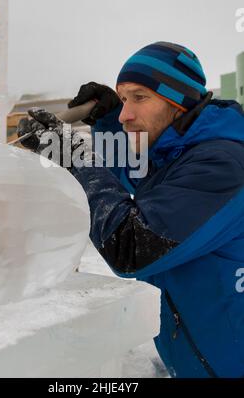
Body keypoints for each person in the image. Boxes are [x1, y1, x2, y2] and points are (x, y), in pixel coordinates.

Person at [17, 41, 244, 378]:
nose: (126, 113)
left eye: (139, 97)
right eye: (123, 99)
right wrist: (107, 120)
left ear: (178, 101)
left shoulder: (221, 165)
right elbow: (129, 169)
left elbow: (133, 246)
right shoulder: (173, 152)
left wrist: (75, 157)